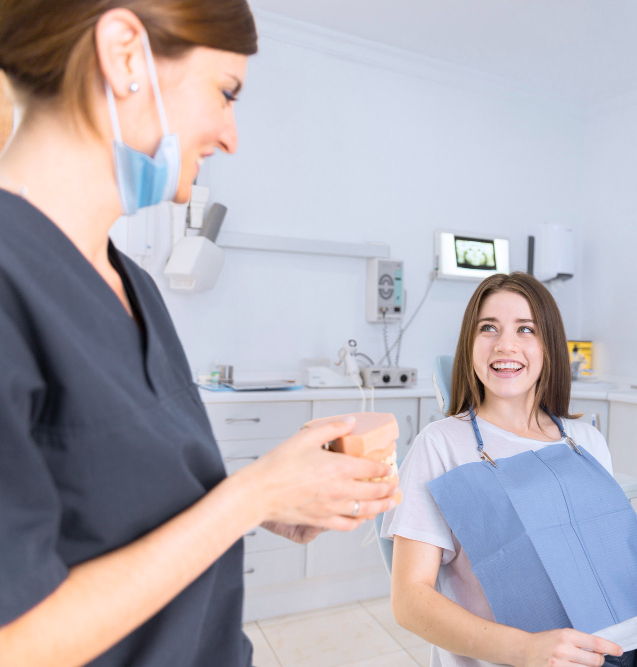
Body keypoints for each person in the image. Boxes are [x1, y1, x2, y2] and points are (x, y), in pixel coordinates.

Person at [0, 2, 398, 666]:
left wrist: (274, 491)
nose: (232, 135)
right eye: (226, 92)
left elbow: (106, 498)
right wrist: (253, 494)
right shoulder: (13, 281)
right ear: (126, 55)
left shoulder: (133, 284)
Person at [381, 272, 637, 667]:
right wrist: (526, 650)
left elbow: (603, 567)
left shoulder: (585, 441)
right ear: (469, 344)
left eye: (525, 329)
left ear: (549, 346)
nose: (505, 344)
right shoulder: (441, 444)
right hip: (540, 658)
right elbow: (410, 600)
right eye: (488, 328)